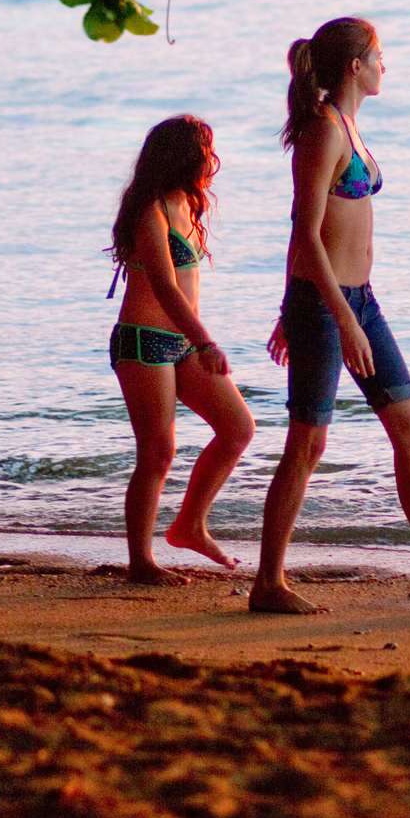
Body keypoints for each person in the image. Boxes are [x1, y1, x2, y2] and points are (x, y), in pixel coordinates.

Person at [253, 17, 410, 614]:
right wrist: (328, 316)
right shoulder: (323, 130)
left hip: (357, 299)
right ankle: (268, 583)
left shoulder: (347, 126)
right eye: (378, 56)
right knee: (307, 442)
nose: (384, 66)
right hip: (329, 304)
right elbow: (305, 233)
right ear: (354, 67)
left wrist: (335, 309)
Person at [106, 115, 255, 585]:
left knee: (237, 428)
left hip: (182, 341)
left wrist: (196, 340)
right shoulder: (149, 210)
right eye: (206, 153)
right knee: (157, 453)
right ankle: (141, 563)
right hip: (143, 341)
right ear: (185, 158)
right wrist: (208, 340)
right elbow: (167, 290)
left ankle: (190, 525)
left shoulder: (187, 205)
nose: (213, 162)